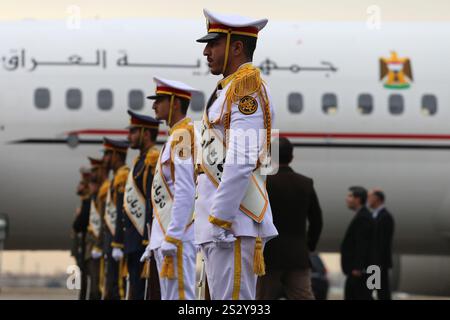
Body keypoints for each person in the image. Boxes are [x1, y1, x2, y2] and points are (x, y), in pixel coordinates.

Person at [195, 9, 278, 300]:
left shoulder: (246, 90)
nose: (206, 51)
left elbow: (241, 159)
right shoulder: (225, 91)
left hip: (233, 223)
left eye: (214, 44)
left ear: (237, 47)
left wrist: (220, 217)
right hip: (221, 224)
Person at [141, 77, 198, 300]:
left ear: (175, 103)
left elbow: (185, 189)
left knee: (181, 298)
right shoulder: (175, 136)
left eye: (159, 100)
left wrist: (173, 235)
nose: (154, 105)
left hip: (178, 235)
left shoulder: (183, 136)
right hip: (166, 234)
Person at [256, 137, 323, 300]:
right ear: (292, 157)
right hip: (298, 255)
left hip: (268, 256)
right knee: (303, 296)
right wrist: (309, 246)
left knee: (262, 299)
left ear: (270, 156)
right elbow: (317, 220)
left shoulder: (263, 181)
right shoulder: (306, 183)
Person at [114, 110, 161, 300]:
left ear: (146, 134)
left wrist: (147, 239)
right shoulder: (139, 162)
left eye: (133, 132)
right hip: (133, 241)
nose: (129, 137)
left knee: (145, 292)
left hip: (143, 240)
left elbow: (152, 200)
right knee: (135, 291)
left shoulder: (151, 160)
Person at [102, 138, 129, 300]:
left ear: (116, 156)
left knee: (118, 288)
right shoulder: (116, 178)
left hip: (117, 243)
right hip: (111, 242)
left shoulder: (123, 177)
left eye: (107, 154)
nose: (105, 159)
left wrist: (117, 242)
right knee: (111, 286)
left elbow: (121, 212)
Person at [340, 186, 374, 300]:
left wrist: (357, 268)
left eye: (350, 196)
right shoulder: (363, 215)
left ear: (358, 199)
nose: (347, 199)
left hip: (359, 272)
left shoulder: (363, 218)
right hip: (360, 271)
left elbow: (362, 244)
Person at [83, 157, 105, 300]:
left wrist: (98, 245)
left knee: (98, 287)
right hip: (92, 248)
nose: (89, 186)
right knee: (94, 286)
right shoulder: (95, 197)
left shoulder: (101, 195)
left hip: (98, 247)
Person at [368, 188, 395, 300]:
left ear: (377, 199)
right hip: (374, 261)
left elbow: (382, 242)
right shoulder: (375, 215)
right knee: (372, 289)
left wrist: (377, 263)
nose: (368, 199)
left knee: (380, 291)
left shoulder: (385, 217)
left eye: (370, 197)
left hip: (378, 262)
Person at [71, 166, 91, 300]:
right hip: (83, 245)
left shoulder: (87, 202)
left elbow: (80, 224)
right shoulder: (86, 200)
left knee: (86, 279)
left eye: (82, 184)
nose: (79, 186)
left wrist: (77, 218)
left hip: (87, 244)